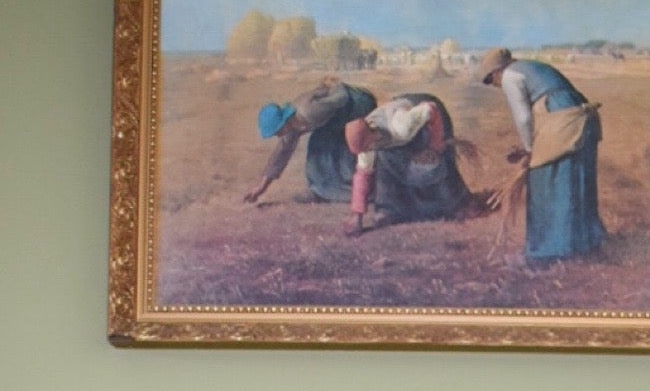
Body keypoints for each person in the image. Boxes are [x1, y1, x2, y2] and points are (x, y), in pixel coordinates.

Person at [478, 47, 606, 262]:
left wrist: (529, 150)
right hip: (578, 119)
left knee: (544, 180)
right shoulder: (530, 67)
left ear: (497, 72)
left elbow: (524, 118)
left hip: (563, 119)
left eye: (491, 80)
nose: (495, 85)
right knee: (576, 176)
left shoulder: (510, 76)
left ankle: (550, 250)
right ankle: (585, 243)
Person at [339, 93, 481, 236]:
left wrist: (435, 147)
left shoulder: (400, 126)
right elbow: (363, 175)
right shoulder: (366, 143)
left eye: (366, 148)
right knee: (385, 163)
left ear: (372, 136)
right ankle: (389, 210)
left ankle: (459, 204)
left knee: (435, 164)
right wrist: (357, 215)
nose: (365, 152)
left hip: (429, 116)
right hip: (403, 129)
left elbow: (431, 109)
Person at [246, 80, 378, 205]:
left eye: (277, 130)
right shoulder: (291, 125)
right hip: (337, 117)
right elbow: (281, 154)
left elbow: (342, 97)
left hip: (358, 104)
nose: (278, 134)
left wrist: (346, 129)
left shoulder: (309, 112)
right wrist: (261, 187)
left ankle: (366, 192)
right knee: (318, 149)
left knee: (342, 149)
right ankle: (322, 191)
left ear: (284, 121)